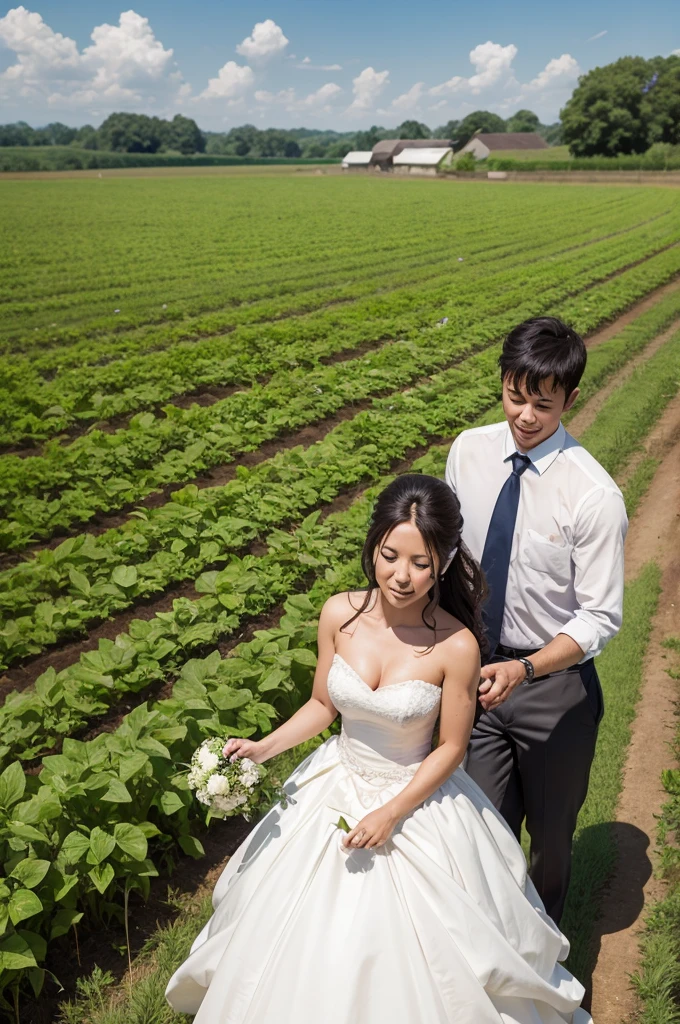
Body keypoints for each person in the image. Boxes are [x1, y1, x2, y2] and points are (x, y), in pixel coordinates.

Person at [166, 474, 592, 1024]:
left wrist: (391, 812)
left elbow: (452, 749)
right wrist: (263, 747)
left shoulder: (455, 645)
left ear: (443, 563)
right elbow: (323, 704)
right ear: (373, 546)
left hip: (414, 796)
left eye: (421, 562)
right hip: (336, 778)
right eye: (390, 556)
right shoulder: (337, 614)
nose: (401, 575)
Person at [446, 316, 628, 924]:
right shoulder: (468, 452)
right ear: (502, 383)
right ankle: (491, 964)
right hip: (476, 675)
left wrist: (524, 668)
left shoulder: (592, 494)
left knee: (551, 842)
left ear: (571, 399)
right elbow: (450, 559)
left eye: (543, 406)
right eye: (515, 397)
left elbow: (600, 617)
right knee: (477, 828)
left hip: (554, 688)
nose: (525, 416)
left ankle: (547, 959)